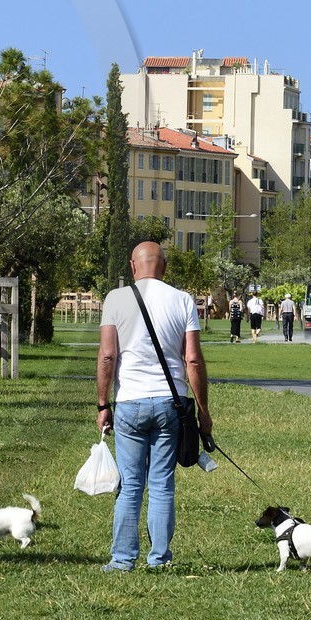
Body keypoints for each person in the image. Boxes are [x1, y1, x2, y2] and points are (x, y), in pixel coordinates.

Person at [95, 241, 212, 572]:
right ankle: (159, 559)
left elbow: (107, 355)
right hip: (170, 404)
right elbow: (192, 359)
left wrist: (103, 403)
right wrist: (203, 411)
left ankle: (122, 559)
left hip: (130, 402)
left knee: (130, 485)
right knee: (162, 485)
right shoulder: (183, 300)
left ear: (133, 266)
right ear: (165, 267)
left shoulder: (116, 299)